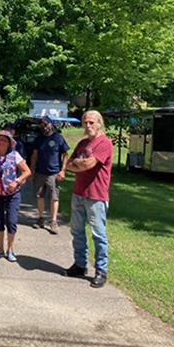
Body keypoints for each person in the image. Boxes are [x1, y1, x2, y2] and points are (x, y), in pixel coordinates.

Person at [64, 111, 113, 289]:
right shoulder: (82, 143)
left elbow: (89, 164)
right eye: (85, 123)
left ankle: (101, 271)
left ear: (99, 123)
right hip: (78, 193)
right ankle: (80, 265)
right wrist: (78, 162)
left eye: (92, 122)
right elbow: (68, 165)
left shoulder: (105, 143)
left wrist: (79, 163)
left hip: (96, 196)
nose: (88, 126)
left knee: (98, 234)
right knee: (77, 231)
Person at [0, 130, 31, 262]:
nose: (1, 142)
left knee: (11, 221)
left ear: (9, 143)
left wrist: (17, 181)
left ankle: (10, 249)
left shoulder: (15, 155)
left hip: (12, 194)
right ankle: (0, 249)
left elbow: (27, 171)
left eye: (4, 140)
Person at [30, 116, 70, 234]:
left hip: (54, 173)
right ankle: (41, 219)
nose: (44, 127)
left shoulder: (58, 138)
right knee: (39, 196)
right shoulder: (39, 139)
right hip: (40, 172)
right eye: (42, 125)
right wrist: (32, 170)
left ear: (51, 124)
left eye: (46, 124)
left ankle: (53, 221)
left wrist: (63, 170)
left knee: (54, 197)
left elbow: (65, 155)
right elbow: (34, 155)